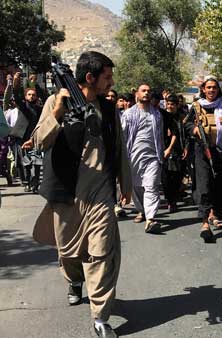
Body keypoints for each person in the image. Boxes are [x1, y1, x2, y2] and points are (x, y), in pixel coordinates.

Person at [31, 51, 131, 338]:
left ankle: (100, 316)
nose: (111, 83)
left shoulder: (109, 109)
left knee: (103, 252)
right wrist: (57, 114)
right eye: (107, 77)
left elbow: (119, 147)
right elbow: (39, 141)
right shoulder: (55, 101)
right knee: (69, 252)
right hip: (65, 190)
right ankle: (74, 281)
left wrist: (125, 183)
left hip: (100, 193)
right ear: (90, 78)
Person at [185, 76, 222, 242]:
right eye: (208, 88)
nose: (211, 90)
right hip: (202, 152)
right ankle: (205, 222)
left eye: (214, 87)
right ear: (203, 90)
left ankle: (215, 213)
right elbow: (186, 125)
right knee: (204, 185)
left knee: (219, 185)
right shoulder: (196, 107)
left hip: (220, 152)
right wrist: (194, 130)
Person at [121, 84, 164, 234]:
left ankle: (150, 219)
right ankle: (142, 210)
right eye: (143, 91)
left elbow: (160, 136)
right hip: (133, 156)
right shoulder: (128, 114)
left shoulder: (156, 114)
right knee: (136, 186)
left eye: (148, 91)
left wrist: (162, 154)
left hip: (153, 156)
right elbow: (123, 136)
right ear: (137, 94)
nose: (146, 93)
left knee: (151, 185)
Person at [161, 94, 185, 213]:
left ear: (177, 105)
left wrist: (186, 148)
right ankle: (170, 200)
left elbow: (185, 134)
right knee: (165, 178)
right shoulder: (161, 116)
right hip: (163, 150)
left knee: (176, 177)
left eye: (172, 104)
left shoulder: (182, 118)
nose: (170, 106)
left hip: (179, 151)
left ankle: (173, 200)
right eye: (168, 104)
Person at [18, 88, 43, 193]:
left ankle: (35, 184)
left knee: (37, 163)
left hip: (36, 140)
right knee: (26, 163)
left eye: (33, 95)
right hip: (24, 140)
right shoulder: (24, 107)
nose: (31, 96)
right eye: (29, 94)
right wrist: (14, 83)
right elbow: (15, 96)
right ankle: (28, 183)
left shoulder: (39, 109)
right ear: (25, 96)